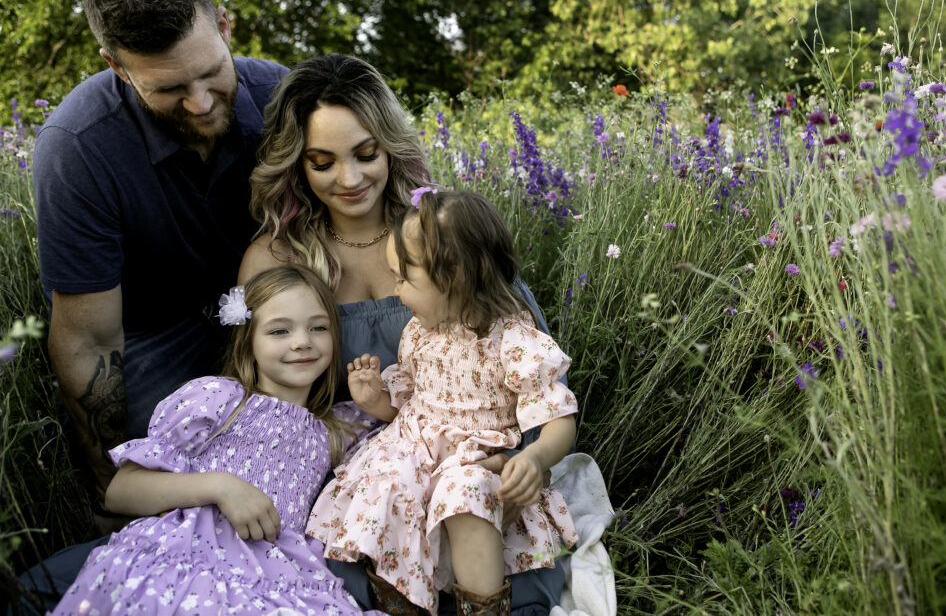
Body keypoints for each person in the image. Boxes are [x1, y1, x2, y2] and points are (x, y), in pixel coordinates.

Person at [238, 54, 569, 615]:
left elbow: (521, 354)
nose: (350, 179)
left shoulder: (438, 230)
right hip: (374, 473)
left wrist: (523, 464)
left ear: (390, 145)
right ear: (297, 165)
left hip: (478, 457)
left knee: (503, 572)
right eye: (323, 162)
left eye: (367, 154)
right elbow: (269, 404)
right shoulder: (278, 258)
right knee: (342, 582)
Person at [33, 0, 288, 515]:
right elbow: (88, 341)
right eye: (169, 88)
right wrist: (110, 487)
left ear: (224, 25)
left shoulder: (284, 100)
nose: (198, 103)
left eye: (211, 72)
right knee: (170, 484)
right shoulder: (77, 148)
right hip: (155, 334)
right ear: (117, 67)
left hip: (278, 308)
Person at [308, 190, 578, 616]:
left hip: (475, 459)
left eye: (403, 279)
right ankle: (399, 601)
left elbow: (559, 417)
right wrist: (375, 399)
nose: (395, 291)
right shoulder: (419, 332)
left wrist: (536, 459)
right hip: (412, 449)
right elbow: (410, 406)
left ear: (453, 278)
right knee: (389, 485)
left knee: (464, 491)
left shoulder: (513, 340)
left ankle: (482, 607)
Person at [51, 265, 376, 616]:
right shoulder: (218, 399)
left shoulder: (335, 429)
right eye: (279, 330)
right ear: (248, 341)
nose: (302, 341)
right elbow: (120, 491)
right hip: (192, 554)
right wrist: (222, 488)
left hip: (278, 573)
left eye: (318, 327)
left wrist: (374, 398)